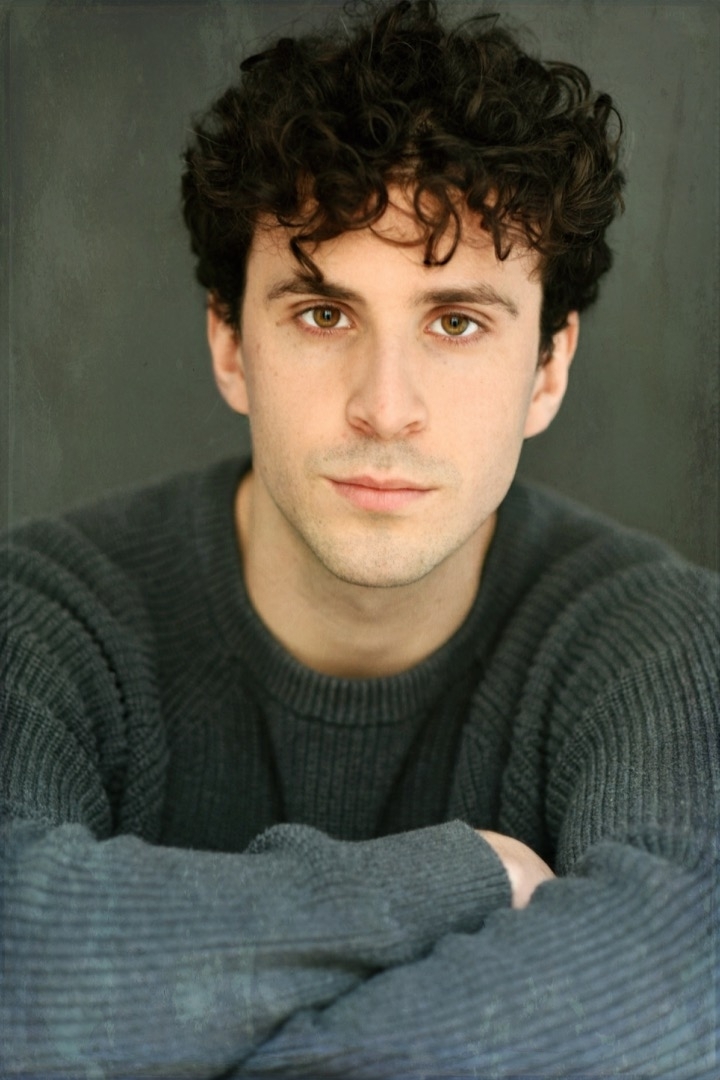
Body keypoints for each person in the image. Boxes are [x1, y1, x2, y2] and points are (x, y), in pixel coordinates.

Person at [1, 1, 717, 1076]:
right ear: (230, 344)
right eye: (323, 314)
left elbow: (682, 986)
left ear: (550, 368)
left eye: (457, 322)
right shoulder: (35, 621)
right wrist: (460, 880)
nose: (385, 407)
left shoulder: (669, 647)